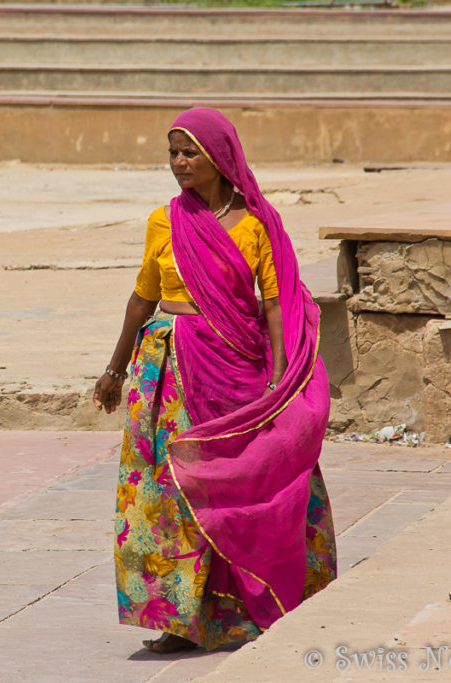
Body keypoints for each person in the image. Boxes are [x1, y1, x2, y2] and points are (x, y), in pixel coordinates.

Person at [93, 108, 337, 654]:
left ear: (220, 157)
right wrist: (114, 369)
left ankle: (251, 610)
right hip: (166, 369)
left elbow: (274, 304)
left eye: (189, 153)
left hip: (235, 365)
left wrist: (278, 378)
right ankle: (179, 621)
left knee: (239, 484)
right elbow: (142, 298)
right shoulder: (164, 220)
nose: (178, 164)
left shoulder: (256, 222)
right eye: (172, 153)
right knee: (167, 490)